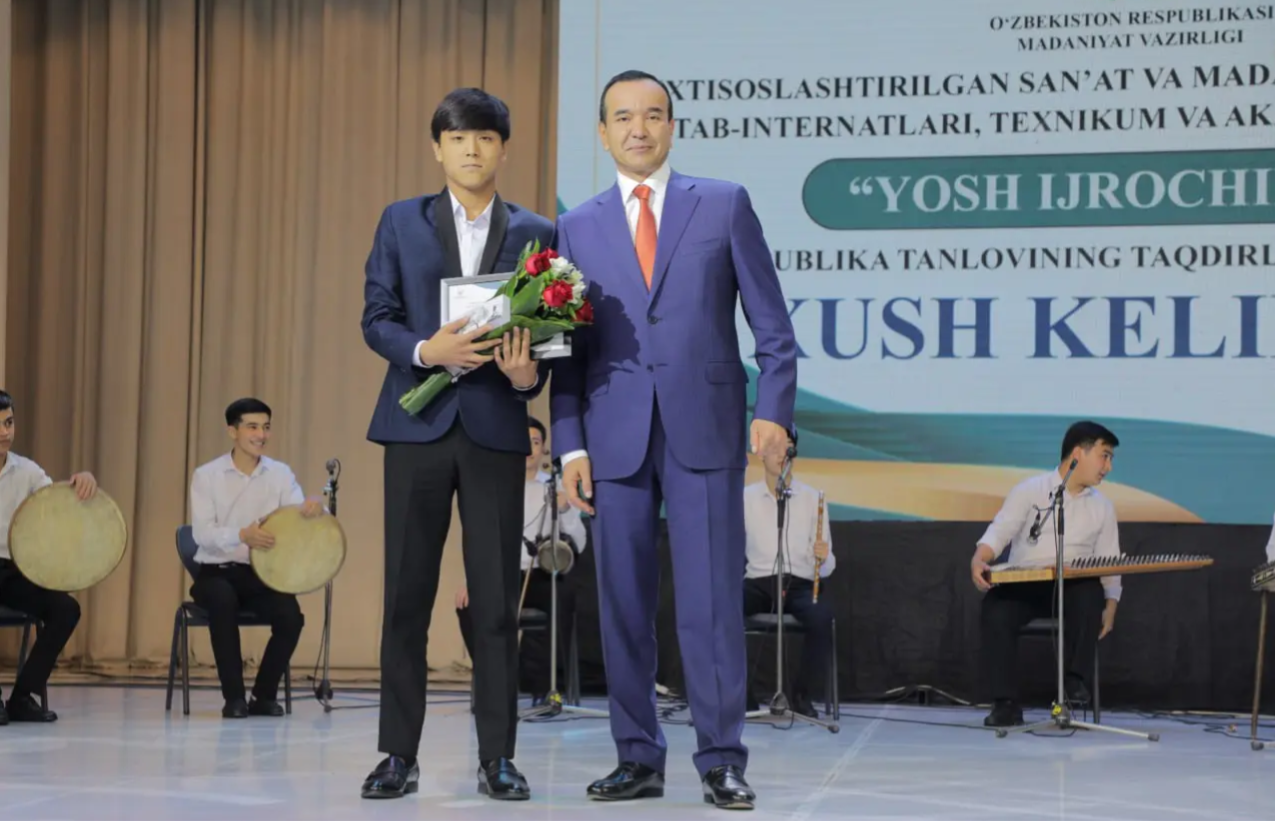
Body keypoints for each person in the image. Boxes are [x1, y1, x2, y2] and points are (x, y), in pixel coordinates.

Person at [550, 69, 797, 810]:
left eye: (653, 115)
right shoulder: (575, 226)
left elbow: (772, 326)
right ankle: (637, 756)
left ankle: (721, 758)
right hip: (612, 437)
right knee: (622, 604)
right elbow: (567, 353)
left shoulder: (722, 203)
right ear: (602, 133)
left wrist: (774, 409)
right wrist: (569, 444)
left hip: (706, 427)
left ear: (672, 126)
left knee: (712, 603)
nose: (639, 128)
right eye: (623, 117)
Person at [359, 87, 553, 802]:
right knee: (405, 598)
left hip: (496, 431)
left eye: (486, 137)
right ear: (437, 148)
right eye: (459, 137)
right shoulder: (400, 220)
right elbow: (376, 316)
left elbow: (549, 340)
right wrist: (425, 350)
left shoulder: (537, 230)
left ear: (504, 148)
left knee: (496, 604)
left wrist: (528, 375)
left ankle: (497, 757)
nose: (472, 149)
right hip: (414, 429)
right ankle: (397, 754)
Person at [970, 420, 1123, 727]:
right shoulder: (1030, 491)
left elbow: (1110, 561)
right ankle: (1005, 703)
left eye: (1110, 459)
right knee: (996, 608)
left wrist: (1111, 604)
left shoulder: (1103, 507)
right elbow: (999, 533)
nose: (1108, 467)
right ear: (1077, 454)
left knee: (1090, 592)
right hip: (1026, 584)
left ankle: (1073, 684)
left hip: (1073, 587)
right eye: (1104, 456)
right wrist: (980, 558)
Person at [189, 397, 321, 719]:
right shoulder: (207, 475)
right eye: (252, 427)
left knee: (290, 616)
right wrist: (241, 535)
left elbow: (296, 517)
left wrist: (314, 507)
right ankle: (234, 698)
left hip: (261, 574)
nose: (261, 435)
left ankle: (263, 695)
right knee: (222, 600)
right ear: (232, 431)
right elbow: (202, 534)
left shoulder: (280, 473)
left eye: (265, 427)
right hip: (215, 572)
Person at [455, 417, 589, 702]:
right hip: (503, 573)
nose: (529, 447)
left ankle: (543, 687)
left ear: (543, 450)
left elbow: (579, 541)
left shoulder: (555, 488)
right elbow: (480, 540)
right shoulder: (496, 486)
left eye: (536, 442)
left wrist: (565, 510)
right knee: (468, 606)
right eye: (524, 441)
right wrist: (471, 579)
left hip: (544, 574)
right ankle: (494, 676)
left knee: (562, 599)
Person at [0, 390, 95, 724]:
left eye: (9, 423)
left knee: (66, 609)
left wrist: (82, 481)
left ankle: (22, 697)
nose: (5, 432)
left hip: (13, 569)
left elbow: (57, 499)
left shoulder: (26, 472)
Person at [742, 449, 835, 718]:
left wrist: (824, 556)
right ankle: (743, 696)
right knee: (723, 610)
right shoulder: (745, 498)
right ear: (762, 455)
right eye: (775, 449)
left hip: (799, 583)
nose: (781, 455)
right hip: (758, 582)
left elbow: (827, 566)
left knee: (822, 618)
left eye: (787, 448)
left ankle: (800, 696)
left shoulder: (813, 498)